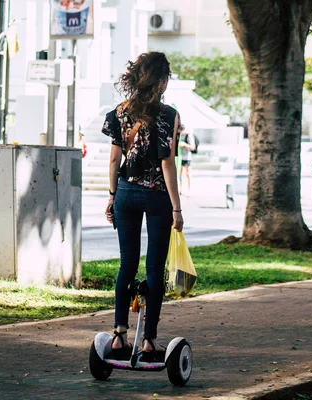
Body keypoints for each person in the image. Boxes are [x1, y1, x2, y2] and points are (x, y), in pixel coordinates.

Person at [102, 52, 183, 360]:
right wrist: (177, 208)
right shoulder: (168, 114)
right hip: (157, 197)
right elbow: (167, 163)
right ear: (161, 81)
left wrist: (113, 195)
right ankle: (149, 341)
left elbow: (114, 159)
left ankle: (119, 336)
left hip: (125, 194)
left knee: (127, 264)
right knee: (153, 268)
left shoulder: (117, 114)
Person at [178, 125, 196, 195]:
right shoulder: (178, 136)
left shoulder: (188, 136)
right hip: (180, 157)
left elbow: (192, 147)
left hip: (187, 157)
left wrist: (184, 144)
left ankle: (189, 189)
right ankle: (181, 189)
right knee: (180, 174)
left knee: (188, 173)